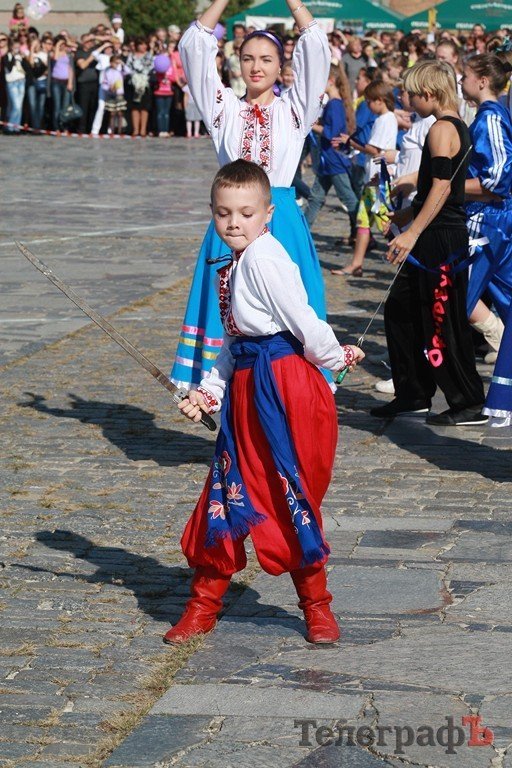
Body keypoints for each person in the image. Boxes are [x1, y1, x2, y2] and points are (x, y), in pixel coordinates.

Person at [163, 159, 364, 646]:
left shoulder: (266, 258)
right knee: (227, 490)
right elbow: (235, 345)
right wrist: (208, 391)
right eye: (223, 213)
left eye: (246, 213)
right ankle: (202, 605)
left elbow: (305, 322)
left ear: (268, 214)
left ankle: (317, 608)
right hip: (249, 390)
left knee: (289, 493)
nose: (234, 222)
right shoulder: (228, 266)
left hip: (286, 389)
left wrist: (335, 358)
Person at [170, 0, 330, 389]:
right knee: (228, 310)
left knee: (290, 307)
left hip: (280, 219)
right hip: (230, 220)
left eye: (266, 59)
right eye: (247, 58)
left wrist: (294, 3)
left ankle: (292, 388)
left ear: (280, 67)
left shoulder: (295, 109)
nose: (256, 67)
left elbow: (316, 47)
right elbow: (194, 46)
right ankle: (219, 394)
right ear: (237, 63)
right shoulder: (223, 108)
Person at [371, 60, 486, 426]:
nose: (406, 100)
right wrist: (408, 216)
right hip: (432, 229)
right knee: (400, 309)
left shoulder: (441, 129)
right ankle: (413, 393)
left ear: (429, 93)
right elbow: (442, 189)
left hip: (439, 237)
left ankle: (467, 400)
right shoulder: (450, 126)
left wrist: (412, 231)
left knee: (442, 319)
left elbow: (440, 187)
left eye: (410, 93)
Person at [332, 80, 398, 276]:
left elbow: (375, 149)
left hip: (380, 181)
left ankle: (406, 260)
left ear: (380, 100)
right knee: (363, 222)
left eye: (369, 101)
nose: (367, 106)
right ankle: (356, 263)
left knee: (387, 225)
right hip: (373, 180)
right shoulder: (384, 119)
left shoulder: (385, 120)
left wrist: (351, 141)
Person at [304, 63, 358, 240]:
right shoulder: (332, 103)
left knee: (348, 198)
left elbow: (332, 133)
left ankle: (360, 232)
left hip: (333, 161)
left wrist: (312, 125)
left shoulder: (335, 104)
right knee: (315, 198)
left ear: (331, 81)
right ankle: (302, 232)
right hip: (327, 160)